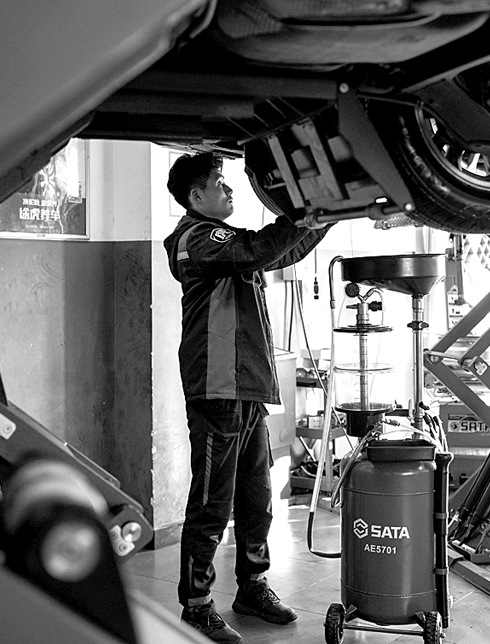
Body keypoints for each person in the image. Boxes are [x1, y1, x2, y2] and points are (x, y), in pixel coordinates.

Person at [164, 152, 331, 643]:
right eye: (220, 183)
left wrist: (328, 216)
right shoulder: (196, 239)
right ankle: (197, 605)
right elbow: (259, 249)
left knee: (257, 497)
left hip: (247, 387)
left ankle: (252, 586)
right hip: (217, 388)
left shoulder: (230, 243)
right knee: (212, 503)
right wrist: (307, 210)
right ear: (196, 196)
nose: (230, 189)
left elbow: (282, 253)